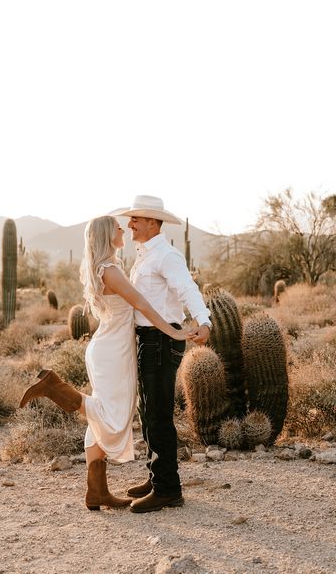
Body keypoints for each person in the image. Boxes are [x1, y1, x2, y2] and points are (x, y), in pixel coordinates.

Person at [19, 215, 190, 511]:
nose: (123, 229)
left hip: (106, 347)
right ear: (105, 236)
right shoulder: (110, 270)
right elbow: (142, 304)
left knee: (99, 419)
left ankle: (97, 492)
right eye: (116, 228)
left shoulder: (102, 267)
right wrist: (174, 330)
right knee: (114, 416)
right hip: (112, 351)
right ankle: (55, 387)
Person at [113, 195, 212, 513]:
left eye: (136, 219)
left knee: (158, 415)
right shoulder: (144, 256)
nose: (130, 224)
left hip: (162, 338)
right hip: (147, 338)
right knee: (148, 413)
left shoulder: (166, 256)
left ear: (153, 223)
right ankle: (156, 478)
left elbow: (187, 288)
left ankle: (168, 489)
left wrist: (203, 320)